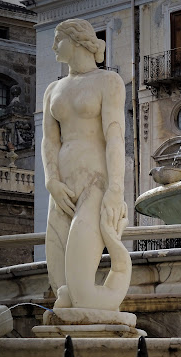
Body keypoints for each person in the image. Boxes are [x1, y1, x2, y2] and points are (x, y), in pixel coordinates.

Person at [42, 18, 131, 311]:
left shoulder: (108, 82)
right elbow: (49, 142)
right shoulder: (52, 90)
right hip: (61, 192)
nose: (53, 46)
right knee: (60, 288)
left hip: (95, 186)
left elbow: (115, 136)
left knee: (79, 292)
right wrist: (51, 181)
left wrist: (115, 190)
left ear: (77, 41)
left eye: (59, 39)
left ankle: (109, 317)